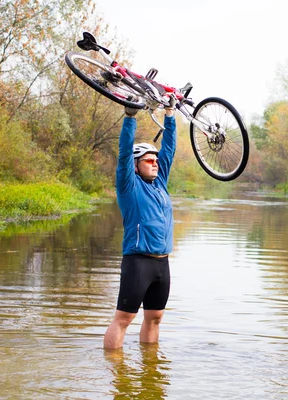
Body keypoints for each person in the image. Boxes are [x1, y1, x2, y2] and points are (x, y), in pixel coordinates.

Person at [104, 101, 177, 349]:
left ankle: (150, 368)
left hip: (162, 263)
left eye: (155, 160)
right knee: (124, 318)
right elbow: (124, 152)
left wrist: (170, 115)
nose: (155, 163)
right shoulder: (129, 185)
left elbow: (168, 150)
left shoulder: (160, 183)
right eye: (148, 160)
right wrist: (130, 117)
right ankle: (114, 371)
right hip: (138, 262)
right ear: (135, 166)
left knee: (155, 317)